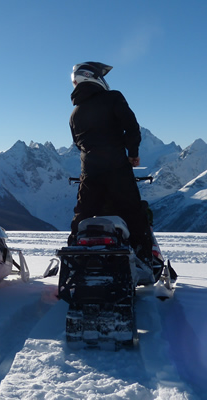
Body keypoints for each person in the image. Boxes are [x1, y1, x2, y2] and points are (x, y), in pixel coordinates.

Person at [67, 61, 152, 261]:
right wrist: (132, 153)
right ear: (94, 78)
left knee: (83, 215)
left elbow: (78, 145)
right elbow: (131, 127)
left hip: (89, 172)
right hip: (116, 168)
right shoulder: (113, 98)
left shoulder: (74, 114)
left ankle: (72, 255)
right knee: (133, 212)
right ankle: (144, 258)